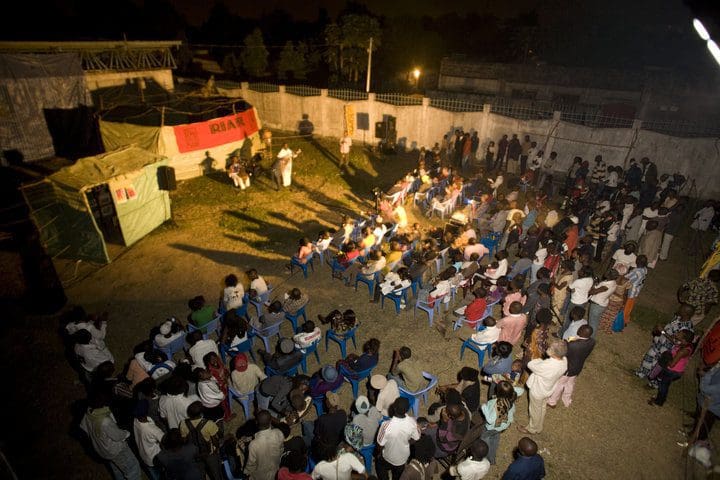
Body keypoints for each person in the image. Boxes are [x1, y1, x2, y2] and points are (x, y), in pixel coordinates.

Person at [80, 391, 142, 480]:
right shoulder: (104, 421)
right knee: (132, 468)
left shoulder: (88, 413)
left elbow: (85, 428)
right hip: (116, 451)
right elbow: (118, 436)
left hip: (103, 450)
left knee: (118, 470)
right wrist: (127, 433)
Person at [518, 340, 568, 435]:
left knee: (535, 410)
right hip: (548, 388)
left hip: (538, 391)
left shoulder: (547, 366)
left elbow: (529, 364)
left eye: (551, 347)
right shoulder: (564, 360)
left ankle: (532, 429)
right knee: (542, 407)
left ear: (555, 353)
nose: (549, 347)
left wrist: (528, 353)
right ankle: (539, 426)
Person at [635, 304, 694, 382]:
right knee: (649, 357)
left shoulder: (686, 328)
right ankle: (642, 373)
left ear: (686, 313)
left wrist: (662, 331)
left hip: (667, 348)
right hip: (660, 342)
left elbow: (677, 342)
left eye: (681, 309)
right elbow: (670, 327)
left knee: (657, 364)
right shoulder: (678, 318)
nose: (678, 309)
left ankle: (652, 381)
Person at [548, 325, 596, 408]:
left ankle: (552, 401)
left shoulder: (572, 345)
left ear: (582, 332)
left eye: (580, 329)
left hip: (568, 368)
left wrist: (566, 343)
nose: (578, 329)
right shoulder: (592, 341)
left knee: (559, 384)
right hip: (578, 367)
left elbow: (563, 354)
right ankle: (567, 399)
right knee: (570, 383)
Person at [376, 397, 421, 480]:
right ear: (407, 409)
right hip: (402, 459)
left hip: (387, 457)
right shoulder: (413, 422)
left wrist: (379, 454)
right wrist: (406, 443)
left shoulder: (386, 426)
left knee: (380, 466)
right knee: (397, 475)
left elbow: (380, 444)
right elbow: (416, 438)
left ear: (394, 408)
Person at [649, 329, 694, 407]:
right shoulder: (685, 344)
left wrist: (667, 357)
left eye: (679, 333)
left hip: (673, 371)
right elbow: (673, 341)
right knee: (663, 384)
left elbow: (672, 364)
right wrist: (663, 331)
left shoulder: (682, 351)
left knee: (663, 386)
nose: (677, 333)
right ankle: (661, 398)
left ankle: (659, 402)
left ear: (683, 339)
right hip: (673, 370)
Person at [179, 401, 223, 480]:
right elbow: (214, 440)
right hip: (209, 453)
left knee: (200, 474)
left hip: (194, 454)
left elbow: (184, 440)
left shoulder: (183, 424)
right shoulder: (209, 424)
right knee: (216, 473)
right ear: (201, 413)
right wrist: (217, 448)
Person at [479, 380, 517, 464]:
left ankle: (488, 458)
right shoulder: (510, 401)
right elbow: (520, 391)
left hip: (492, 427)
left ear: (498, 392)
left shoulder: (496, 404)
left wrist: (484, 407)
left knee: (485, 438)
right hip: (502, 425)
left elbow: (490, 420)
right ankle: (492, 457)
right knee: (495, 437)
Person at [245, 410, 285, 480]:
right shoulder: (279, 433)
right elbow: (281, 450)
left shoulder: (253, 444)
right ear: (270, 422)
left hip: (260, 476)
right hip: (276, 472)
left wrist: (246, 472)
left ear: (256, 422)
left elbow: (251, 464)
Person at [133, 400, 164, 480]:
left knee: (153, 473)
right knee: (160, 473)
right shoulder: (152, 430)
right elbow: (164, 440)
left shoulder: (135, 421)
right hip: (154, 457)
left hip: (143, 454)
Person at [587, 269, 618, 337]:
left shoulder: (606, 286)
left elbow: (592, 292)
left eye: (607, 272)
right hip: (601, 304)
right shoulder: (613, 283)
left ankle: (591, 338)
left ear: (610, 276)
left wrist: (593, 284)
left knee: (592, 323)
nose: (605, 272)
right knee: (595, 322)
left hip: (597, 306)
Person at [623, 255, 649, 324]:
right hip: (637, 291)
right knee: (630, 307)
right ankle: (626, 318)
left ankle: (623, 321)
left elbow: (626, 278)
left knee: (626, 307)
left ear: (637, 261)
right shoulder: (645, 269)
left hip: (631, 291)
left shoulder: (635, 271)